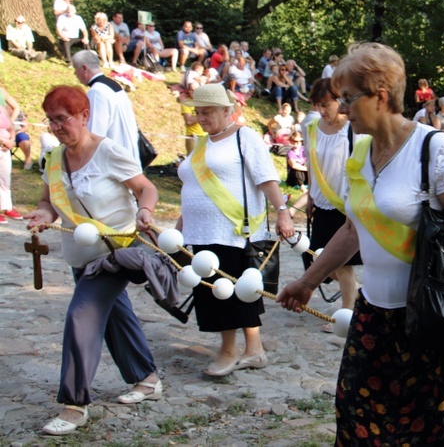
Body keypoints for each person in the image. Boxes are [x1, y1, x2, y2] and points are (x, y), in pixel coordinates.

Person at [277, 42, 444, 445]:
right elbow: (354, 230)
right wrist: (308, 282)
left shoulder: (435, 150)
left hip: (432, 314)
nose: (344, 108)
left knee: (437, 427)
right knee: (354, 413)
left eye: (349, 98)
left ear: (381, 95)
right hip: (374, 314)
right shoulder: (362, 149)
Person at [25, 85, 161, 436]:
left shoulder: (108, 151)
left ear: (84, 115)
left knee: (81, 315)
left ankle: (74, 405)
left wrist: (145, 211)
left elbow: (146, 187)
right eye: (51, 120)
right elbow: (48, 202)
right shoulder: (53, 159)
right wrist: (42, 215)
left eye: (63, 119)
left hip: (114, 254)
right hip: (79, 256)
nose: (56, 127)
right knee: (116, 315)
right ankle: (146, 378)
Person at [177, 84, 295, 376]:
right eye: (198, 112)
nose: (202, 117)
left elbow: (266, 178)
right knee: (227, 290)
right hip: (200, 231)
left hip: (231, 231)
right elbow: (192, 187)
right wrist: (181, 225)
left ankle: (228, 352)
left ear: (227, 110)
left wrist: (283, 213)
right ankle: (253, 350)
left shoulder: (245, 137)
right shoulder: (203, 144)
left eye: (208, 112)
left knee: (227, 292)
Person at [303, 78, 361, 316]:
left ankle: (348, 314)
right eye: (318, 105)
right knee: (319, 259)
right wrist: (310, 194)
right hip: (322, 202)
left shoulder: (353, 129)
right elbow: (310, 162)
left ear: (340, 101)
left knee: (343, 264)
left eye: (326, 104)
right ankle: (356, 295)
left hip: (344, 205)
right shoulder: (311, 127)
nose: (322, 110)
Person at [72, 51, 140, 165]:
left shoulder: (96, 91)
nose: (75, 73)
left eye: (75, 69)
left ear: (84, 68)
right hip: (129, 153)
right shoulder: (114, 85)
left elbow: (94, 133)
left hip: (113, 160)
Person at [0, 83, 24, 222]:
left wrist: (12, 140)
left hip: (6, 146)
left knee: (4, 178)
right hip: (2, 143)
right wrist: (3, 140)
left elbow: (10, 126)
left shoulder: (2, 109)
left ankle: (6, 207)